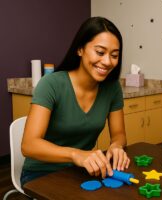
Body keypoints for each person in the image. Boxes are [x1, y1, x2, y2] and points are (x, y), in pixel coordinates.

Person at [21, 17, 130, 186]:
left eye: (114, 55)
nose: (108, 61)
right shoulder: (51, 84)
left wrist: (116, 145)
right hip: (41, 174)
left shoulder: (112, 88)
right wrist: (76, 154)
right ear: (80, 49)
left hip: (81, 171)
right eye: (100, 52)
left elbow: (119, 134)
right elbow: (29, 145)